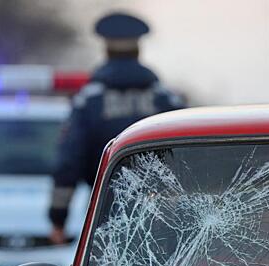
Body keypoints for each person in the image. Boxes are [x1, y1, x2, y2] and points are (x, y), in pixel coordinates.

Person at [48, 12, 186, 244]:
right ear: (138, 50)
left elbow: (68, 163)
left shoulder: (88, 102)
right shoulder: (166, 100)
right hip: (165, 217)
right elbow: (188, 156)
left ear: (107, 50)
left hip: (106, 212)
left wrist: (58, 220)